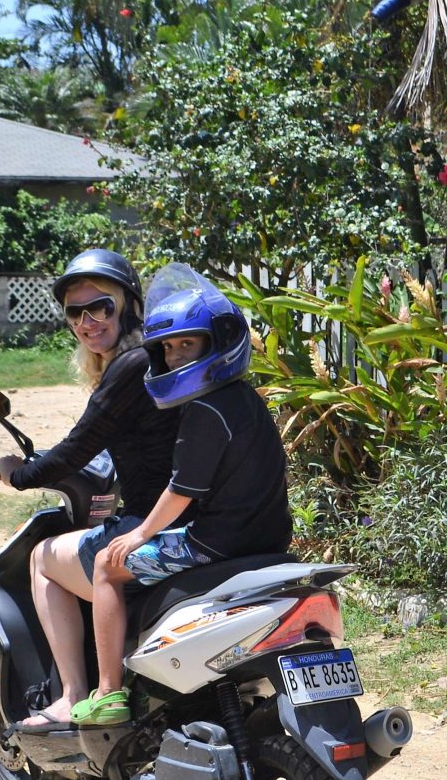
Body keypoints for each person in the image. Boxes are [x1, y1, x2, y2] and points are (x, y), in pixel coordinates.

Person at [70, 263, 293, 726]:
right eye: (168, 347)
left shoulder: (204, 410)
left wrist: (138, 535)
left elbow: (180, 491)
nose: (173, 357)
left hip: (212, 543)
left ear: (219, 341)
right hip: (268, 540)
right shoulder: (247, 400)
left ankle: (108, 693)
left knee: (106, 567)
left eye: (186, 343)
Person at [0, 248, 181, 732]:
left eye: (100, 306)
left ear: (128, 305)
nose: (88, 320)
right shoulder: (164, 358)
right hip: (194, 516)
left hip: (152, 524)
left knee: (43, 559)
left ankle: (74, 695)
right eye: (75, 312)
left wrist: (18, 474)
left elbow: (78, 446)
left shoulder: (130, 366)